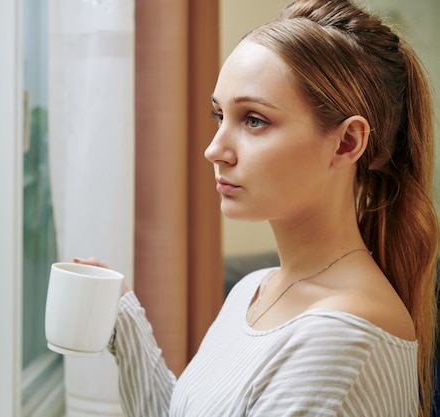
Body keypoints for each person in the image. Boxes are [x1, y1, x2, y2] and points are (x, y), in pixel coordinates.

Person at [76, 0, 439, 415]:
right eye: (219, 116)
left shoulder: (341, 333)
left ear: (346, 143)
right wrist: (123, 317)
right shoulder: (255, 289)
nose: (214, 150)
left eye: (253, 120)